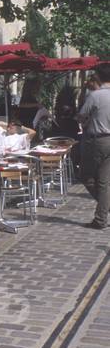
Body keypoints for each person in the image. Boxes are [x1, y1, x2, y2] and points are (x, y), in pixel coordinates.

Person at [77, 64, 110, 229]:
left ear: (98, 76)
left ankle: (103, 213)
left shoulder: (96, 96)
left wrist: (88, 121)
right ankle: (101, 217)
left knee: (86, 176)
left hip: (98, 140)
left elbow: (81, 116)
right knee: (104, 182)